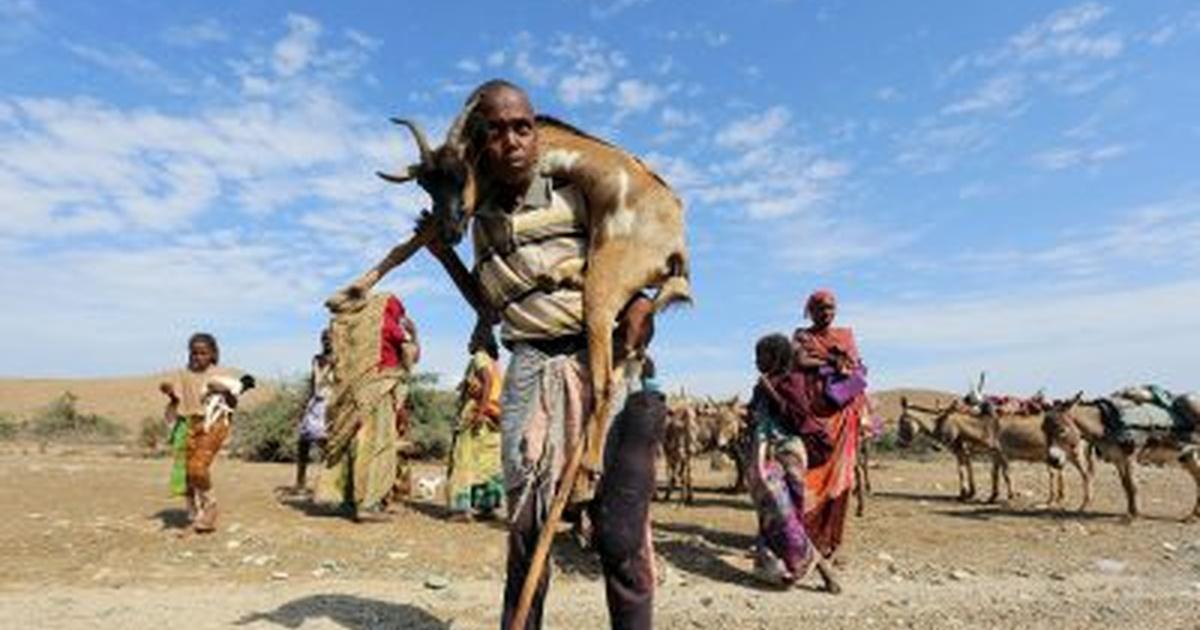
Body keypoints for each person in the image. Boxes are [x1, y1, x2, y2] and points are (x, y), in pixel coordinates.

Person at [457, 79, 659, 630]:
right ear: (480, 142)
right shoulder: (482, 221)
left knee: (619, 537)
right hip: (529, 368)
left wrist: (640, 306)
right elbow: (493, 304)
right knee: (526, 532)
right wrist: (442, 256)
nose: (512, 141)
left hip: (604, 361)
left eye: (522, 127)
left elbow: (620, 261)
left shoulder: (575, 194)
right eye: (496, 131)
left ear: (538, 134)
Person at [747, 334, 840, 591]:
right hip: (765, 452)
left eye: (761, 356)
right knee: (772, 512)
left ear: (776, 356)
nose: (756, 362)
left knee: (786, 513)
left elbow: (799, 418)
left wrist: (771, 392)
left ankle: (818, 565)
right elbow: (755, 416)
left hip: (788, 451)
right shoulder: (761, 385)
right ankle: (777, 568)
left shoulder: (792, 381)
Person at [316, 293, 419, 521]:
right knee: (377, 445)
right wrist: (414, 335)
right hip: (378, 392)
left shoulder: (356, 327)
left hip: (352, 395)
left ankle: (344, 498)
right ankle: (369, 503)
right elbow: (410, 356)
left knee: (352, 442)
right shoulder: (389, 326)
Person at [792, 289, 868, 559]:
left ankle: (831, 541)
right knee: (810, 477)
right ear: (810, 311)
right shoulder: (802, 336)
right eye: (821, 308)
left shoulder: (846, 336)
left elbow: (856, 368)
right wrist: (832, 361)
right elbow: (799, 360)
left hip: (843, 418)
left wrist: (846, 366)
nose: (826, 313)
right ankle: (806, 537)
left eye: (831, 308)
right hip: (815, 419)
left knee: (840, 480)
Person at [158, 332, 245, 533]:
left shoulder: (220, 373)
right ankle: (196, 512)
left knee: (198, 467)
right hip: (188, 424)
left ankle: (210, 507)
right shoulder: (183, 374)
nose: (198, 357)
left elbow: (233, 403)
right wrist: (169, 392)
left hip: (214, 424)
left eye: (203, 353)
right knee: (187, 472)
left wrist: (223, 390)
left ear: (213, 354)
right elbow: (177, 401)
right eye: (194, 353)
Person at [445, 323, 505, 521]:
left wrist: (479, 411)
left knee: (463, 459)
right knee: (487, 463)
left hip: (477, 414)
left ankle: (461, 509)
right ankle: (486, 506)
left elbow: (486, 380)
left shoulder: (479, 356)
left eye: (472, 339)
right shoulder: (495, 362)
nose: (468, 343)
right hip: (494, 417)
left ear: (480, 342)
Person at [292, 328, 334, 495]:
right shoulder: (317, 359)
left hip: (331, 404)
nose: (326, 341)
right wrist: (304, 406)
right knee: (303, 442)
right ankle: (300, 482)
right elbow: (313, 382)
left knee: (325, 443)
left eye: (330, 338)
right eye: (323, 338)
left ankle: (328, 483)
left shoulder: (341, 359)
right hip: (315, 403)